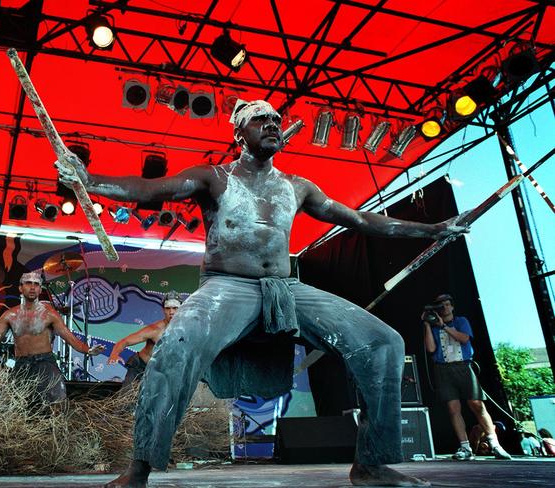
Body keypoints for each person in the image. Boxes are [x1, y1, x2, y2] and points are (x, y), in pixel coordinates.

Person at [56, 99, 469, 487]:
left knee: (384, 342)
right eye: (260, 119)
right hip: (227, 286)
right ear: (239, 134)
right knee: (176, 345)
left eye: (275, 120)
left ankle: (372, 464)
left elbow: (358, 219)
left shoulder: (298, 187)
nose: (272, 124)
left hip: (285, 289)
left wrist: (431, 230)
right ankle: (139, 469)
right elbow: (151, 191)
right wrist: (89, 180)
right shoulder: (214, 178)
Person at [0, 272, 105, 405]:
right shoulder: (10, 315)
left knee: (57, 402)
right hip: (22, 364)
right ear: (21, 288)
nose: (32, 287)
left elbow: (70, 338)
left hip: (45, 362)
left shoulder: (49, 313)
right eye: (28, 283)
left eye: (36, 284)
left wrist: (88, 350)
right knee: (8, 405)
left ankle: (59, 433)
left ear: (40, 289)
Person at [423, 293, 512, 461]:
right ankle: (465, 446)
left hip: (463, 366)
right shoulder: (434, 327)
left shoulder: (460, 321)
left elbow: (464, 338)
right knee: (453, 408)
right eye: (441, 306)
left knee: (477, 404)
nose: (444, 308)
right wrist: (428, 325)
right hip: (443, 369)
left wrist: (444, 327)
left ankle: (495, 444)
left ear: (452, 306)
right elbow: (430, 349)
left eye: (447, 304)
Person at [107, 291, 183, 388]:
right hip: (140, 368)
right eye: (168, 308)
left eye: (175, 308)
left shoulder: (185, 331)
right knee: (127, 399)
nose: (171, 312)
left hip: (160, 372)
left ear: (181, 309)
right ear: (163, 310)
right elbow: (124, 341)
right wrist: (114, 354)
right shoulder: (155, 330)